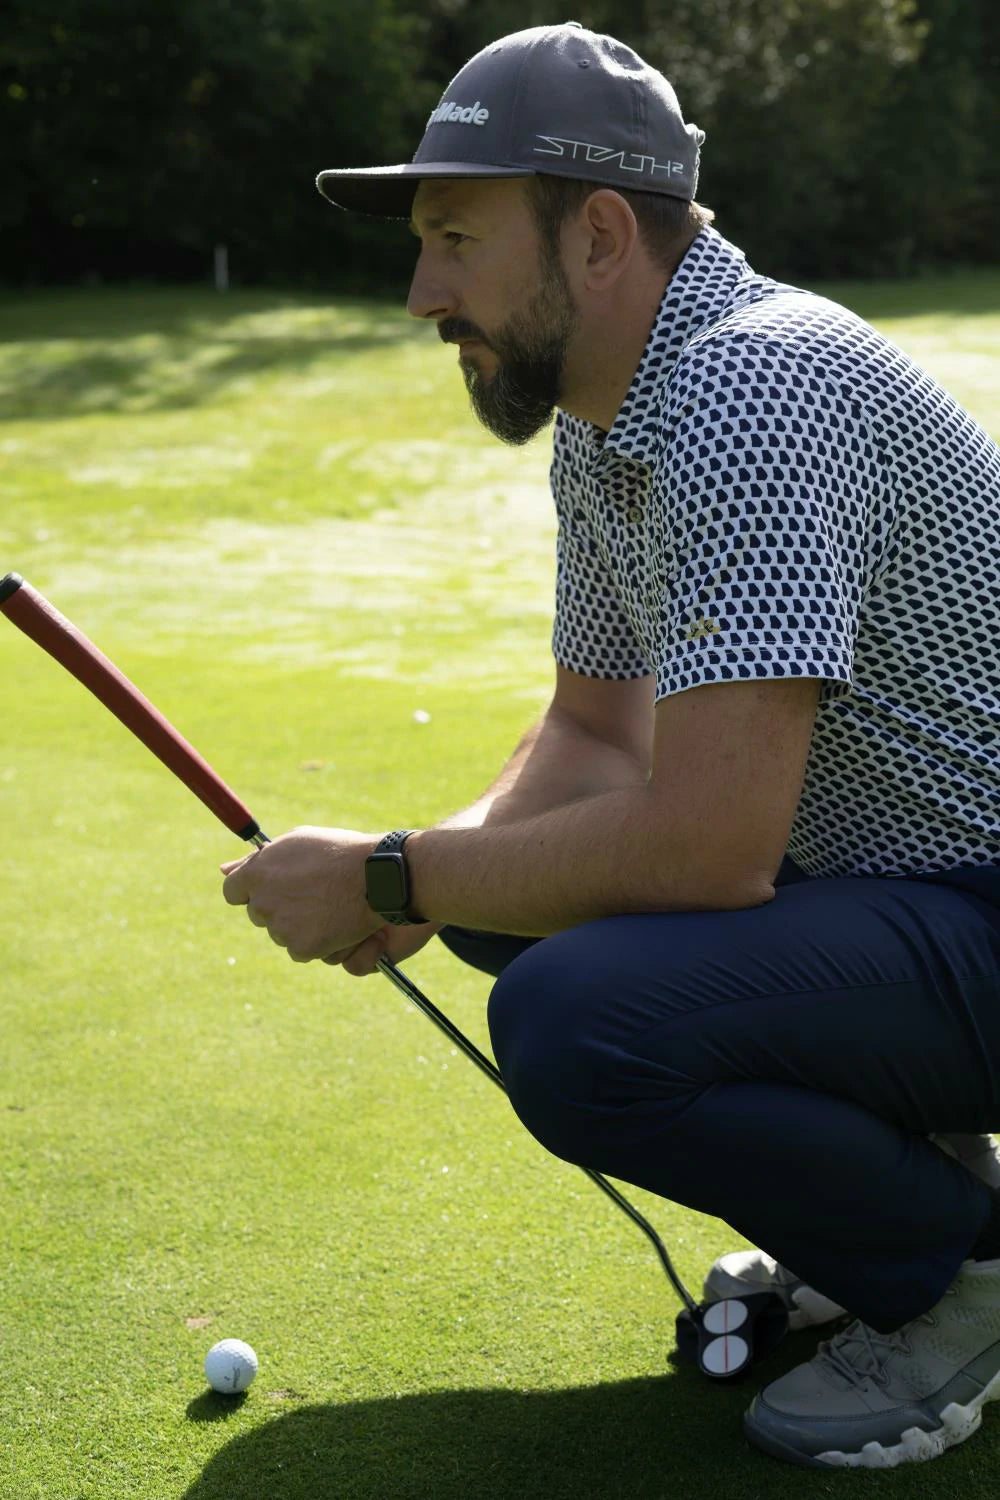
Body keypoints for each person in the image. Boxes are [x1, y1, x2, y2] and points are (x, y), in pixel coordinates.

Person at [221, 22, 1000, 1469]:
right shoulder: (613, 411)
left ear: (594, 237)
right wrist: (421, 881)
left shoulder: (744, 391)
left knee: (577, 1019)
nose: (419, 291)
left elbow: (707, 849)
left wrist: (397, 875)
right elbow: (591, 732)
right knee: (503, 918)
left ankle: (963, 1271)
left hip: (982, 911)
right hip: (923, 907)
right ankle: (904, 1200)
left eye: (454, 237)